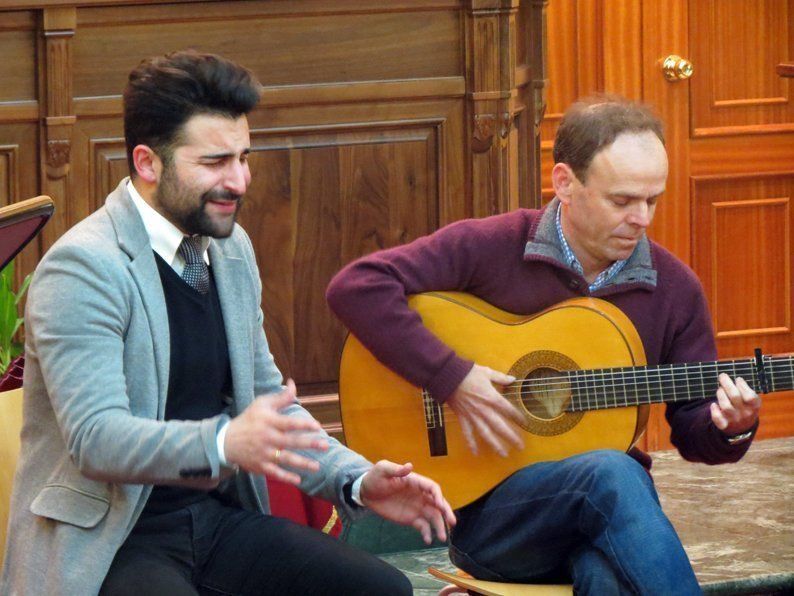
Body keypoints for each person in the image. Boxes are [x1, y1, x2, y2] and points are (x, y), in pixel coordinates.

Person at [0, 50, 455, 596]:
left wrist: (354, 481)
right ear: (148, 164)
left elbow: (265, 398)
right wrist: (223, 443)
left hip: (212, 522)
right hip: (112, 537)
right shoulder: (85, 266)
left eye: (244, 157)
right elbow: (96, 440)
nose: (239, 180)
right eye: (215, 162)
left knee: (381, 589)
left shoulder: (230, 248)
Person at [326, 96, 762, 595]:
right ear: (564, 183)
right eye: (622, 201)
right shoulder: (494, 245)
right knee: (612, 472)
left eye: (652, 200)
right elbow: (356, 287)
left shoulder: (675, 288)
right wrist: (452, 379)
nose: (642, 218)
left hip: (605, 514)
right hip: (493, 520)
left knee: (607, 574)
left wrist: (730, 426)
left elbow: (693, 431)